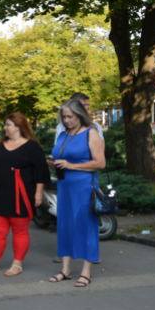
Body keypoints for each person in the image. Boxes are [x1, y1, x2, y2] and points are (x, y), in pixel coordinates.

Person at [0, 113, 50, 277]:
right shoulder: (0, 145)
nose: (5, 128)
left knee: (20, 231)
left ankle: (17, 264)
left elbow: (41, 172)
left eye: (8, 125)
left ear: (18, 127)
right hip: (0, 195)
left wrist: (39, 193)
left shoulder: (33, 147)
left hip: (22, 195)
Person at [47, 99, 106, 287]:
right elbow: (60, 158)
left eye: (70, 117)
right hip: (64, 186)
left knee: (85, 226)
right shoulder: (62, 135)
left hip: (84, 187)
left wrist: (71, 165)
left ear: (80, 115)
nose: (67, 120)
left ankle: (86, 272)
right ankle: (65, 270)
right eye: (64, 117)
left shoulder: (91, 133)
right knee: (65, 225)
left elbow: (100, 163)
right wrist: (52, 163)